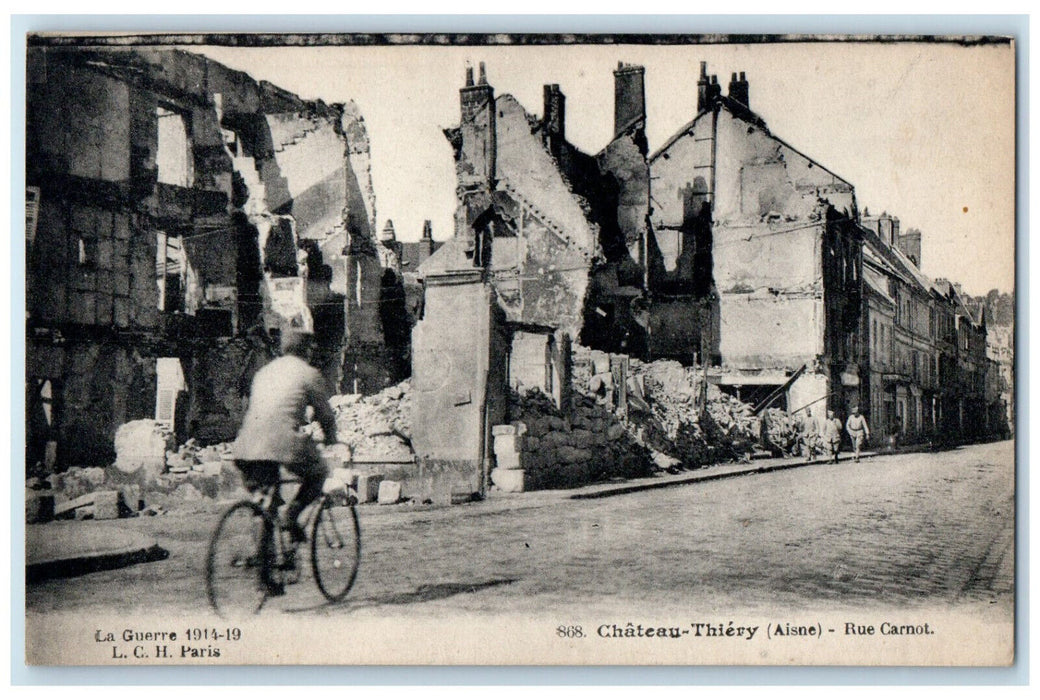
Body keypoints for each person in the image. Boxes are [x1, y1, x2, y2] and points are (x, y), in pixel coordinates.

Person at [233, 328, 338, 548]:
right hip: (282, 442)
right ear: (305, 350)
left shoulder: (264, 372)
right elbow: (325, 415)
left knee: (266, 501)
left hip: (245, 447)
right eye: (310, 348)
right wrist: (331, 438)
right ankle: (292, 515)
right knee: (318, 473)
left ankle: (265, 564)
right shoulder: (308, 373)